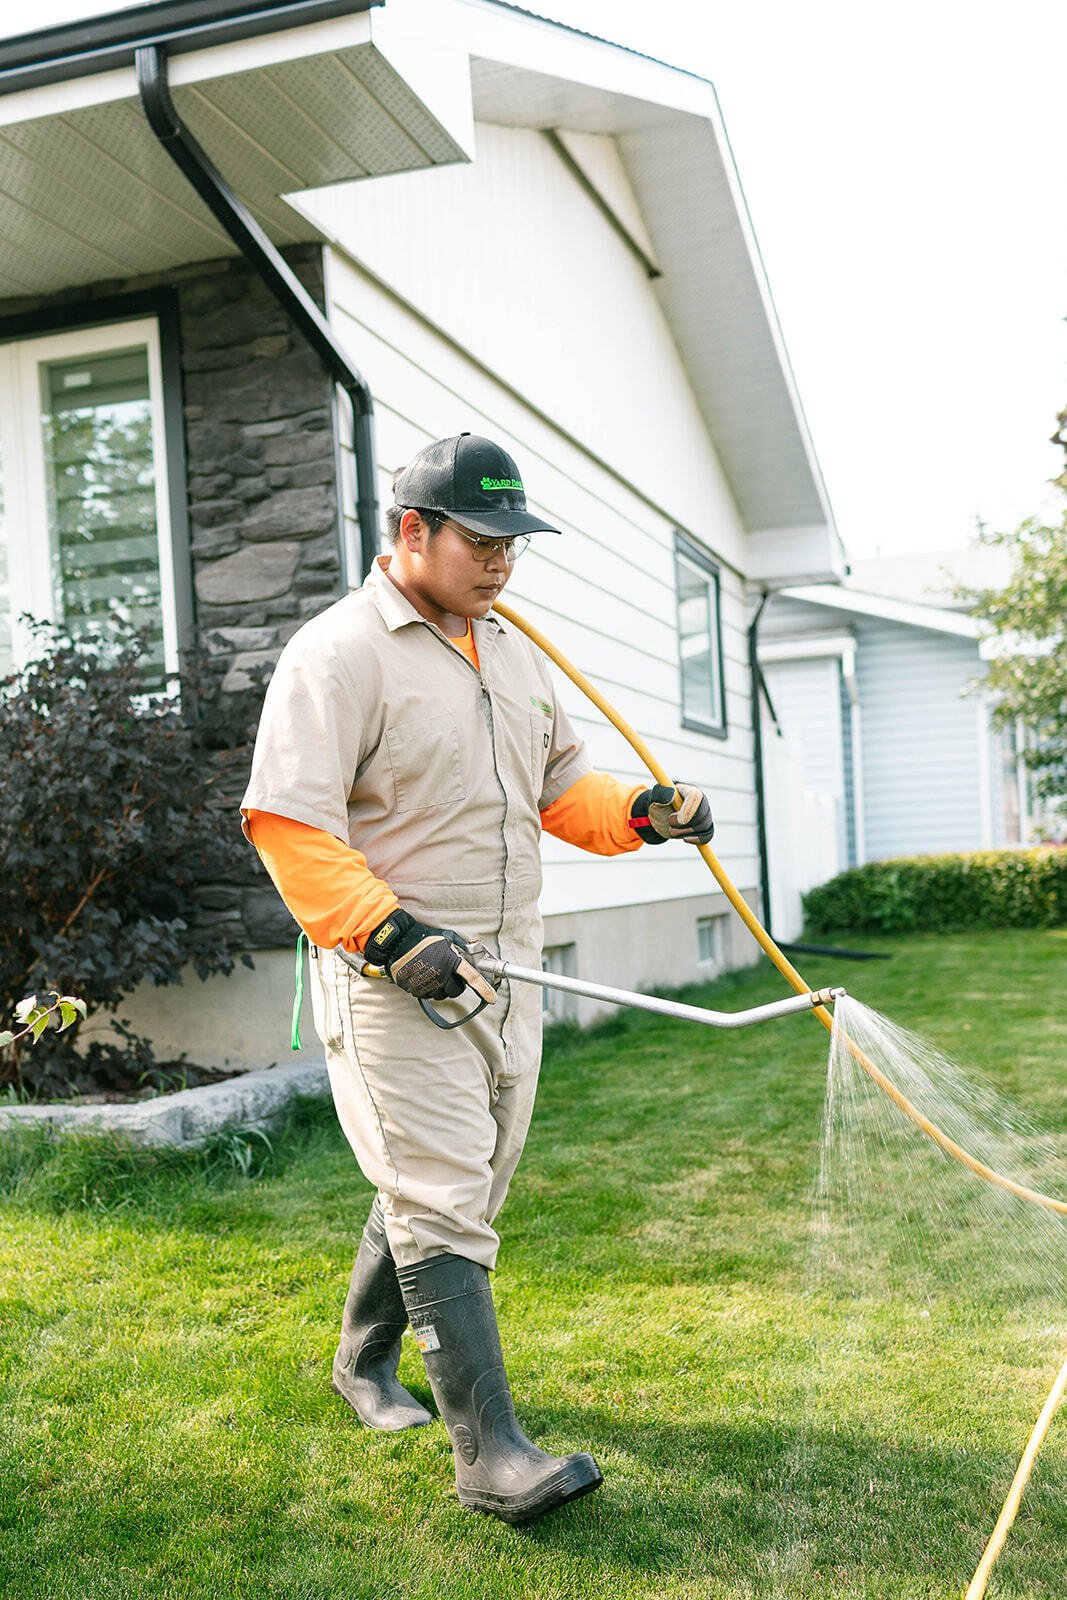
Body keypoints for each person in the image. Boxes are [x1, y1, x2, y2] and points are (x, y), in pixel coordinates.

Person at [241, 433, 714, 1525]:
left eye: (514, 544)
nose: (503, 562)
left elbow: (560, 792)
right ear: (413, 530)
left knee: (461, 1178)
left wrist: (640, 815)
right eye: (483, 540)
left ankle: (361, 1363)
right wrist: (387, 930)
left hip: (508, 966)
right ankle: (490, 1454)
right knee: (442, 1192)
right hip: (395, 972)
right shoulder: (338, 654)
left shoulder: (509, 647)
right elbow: (288, 825)